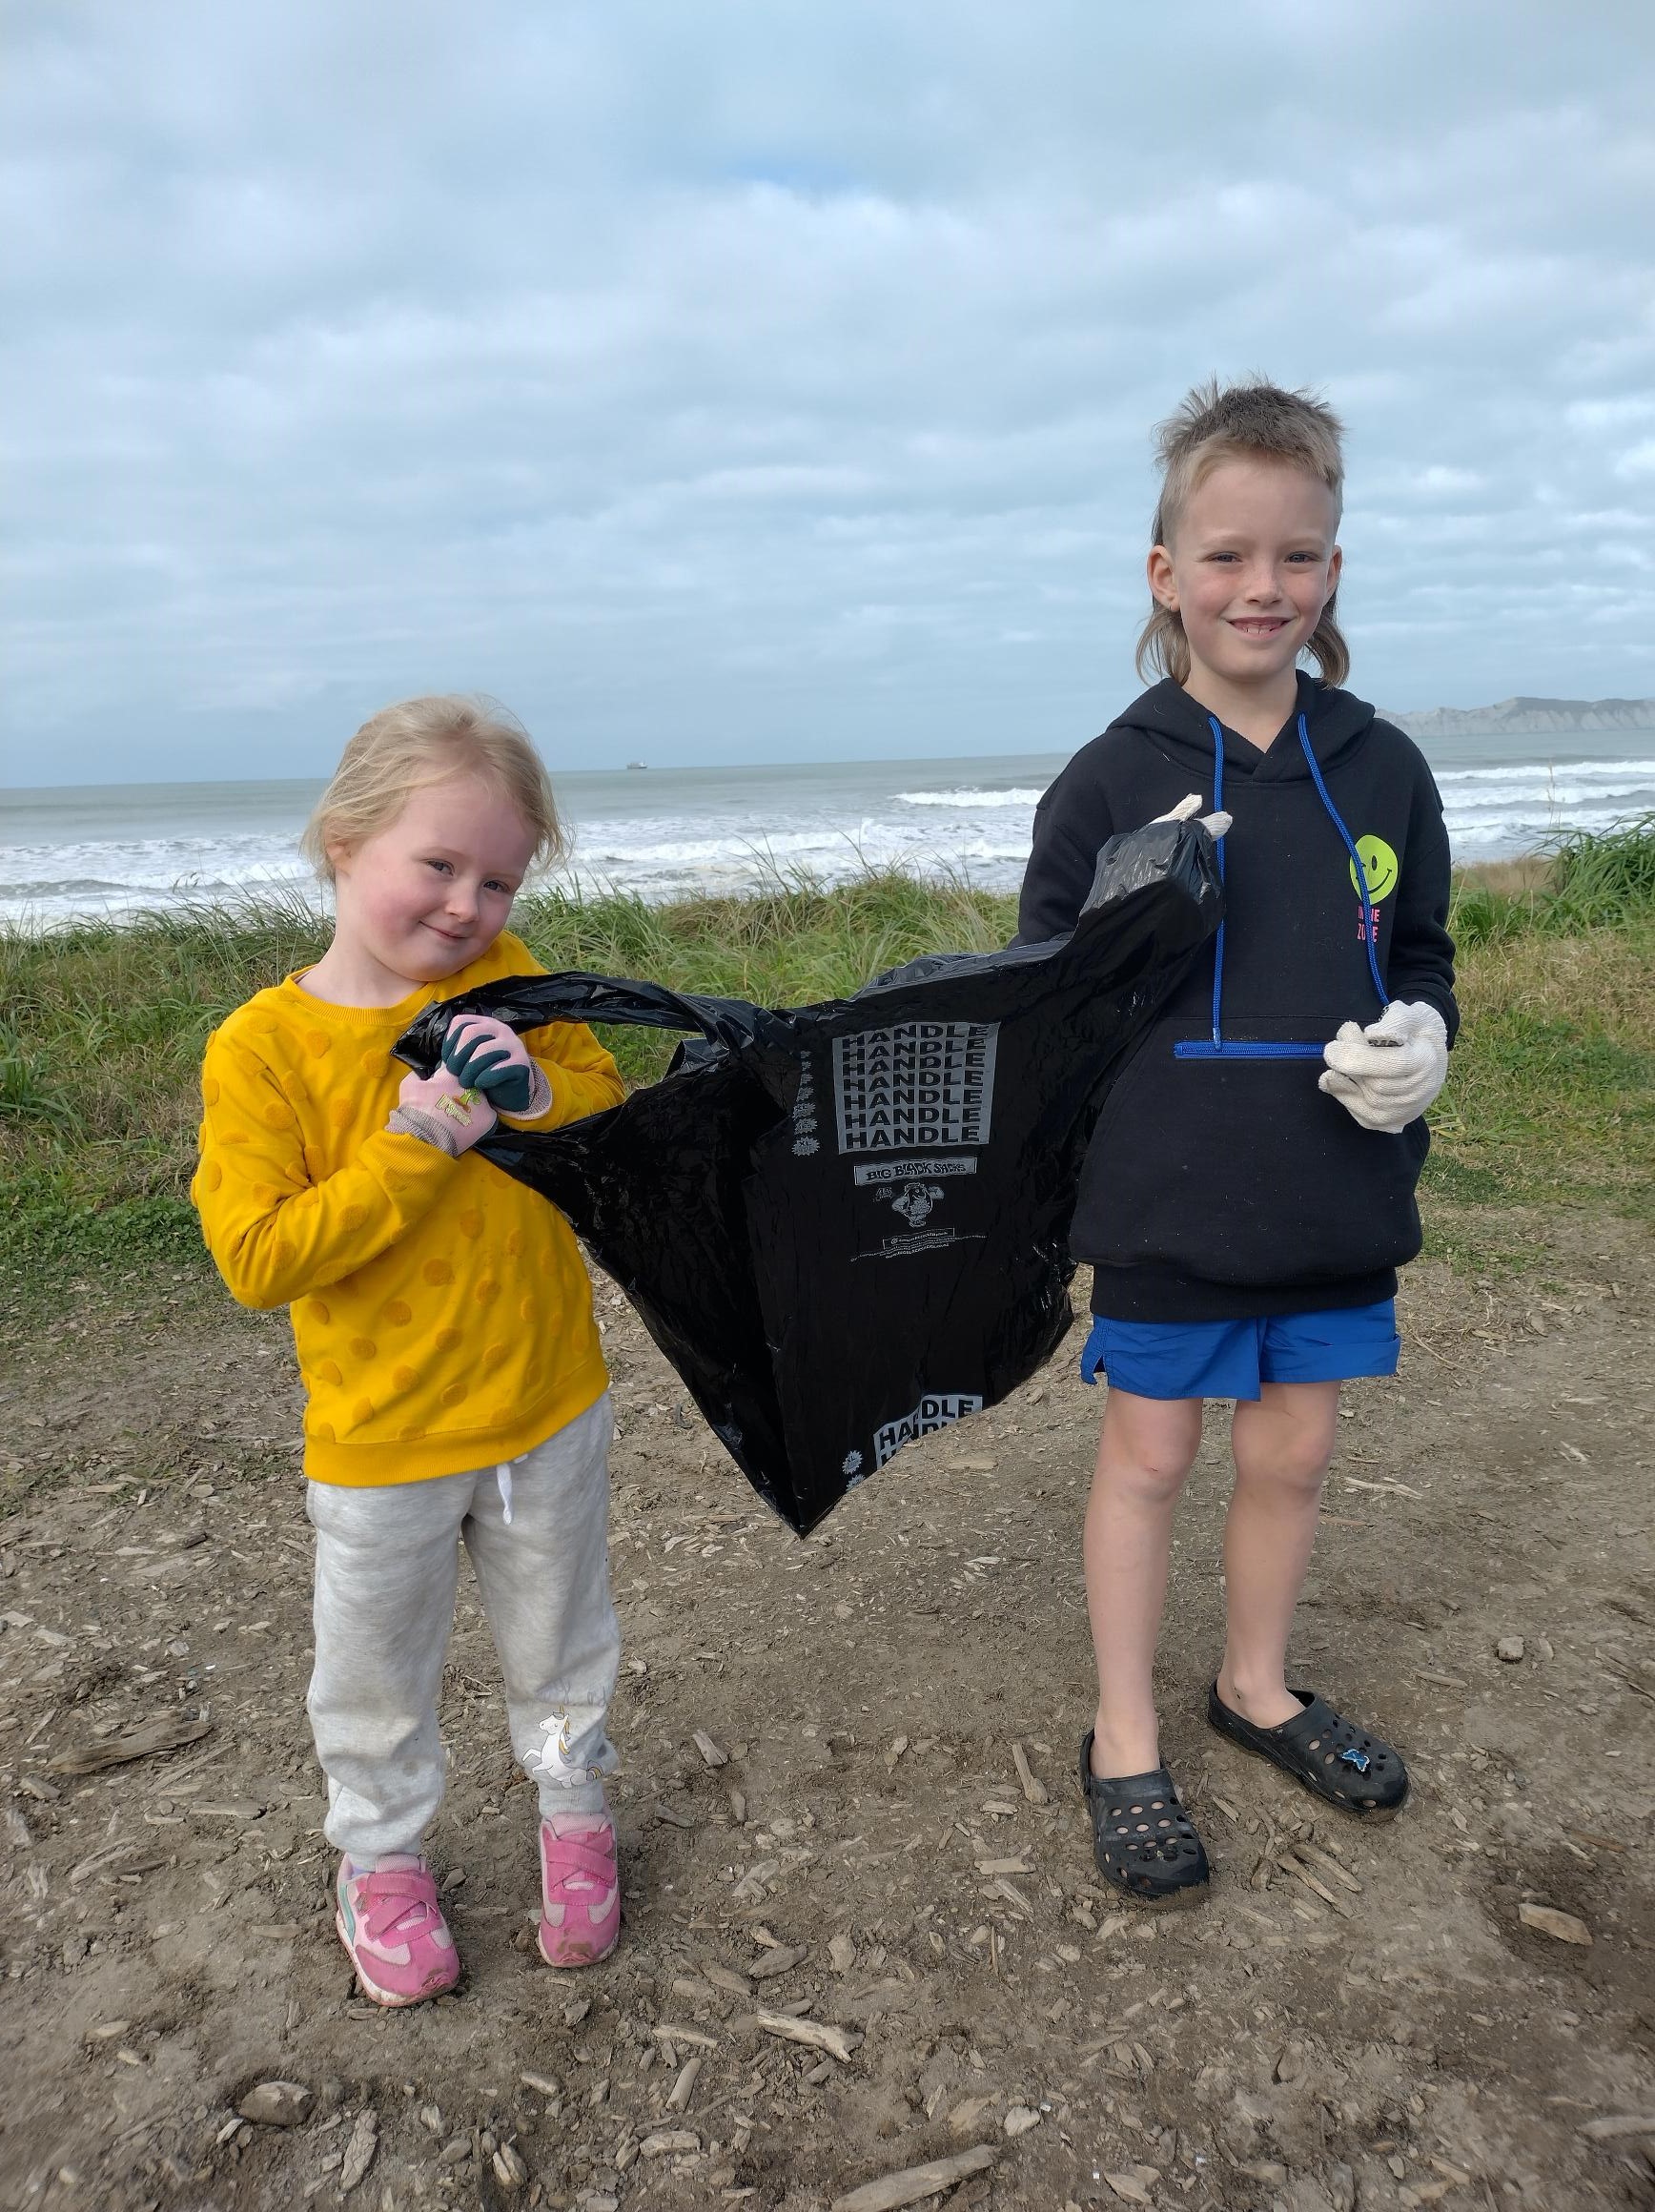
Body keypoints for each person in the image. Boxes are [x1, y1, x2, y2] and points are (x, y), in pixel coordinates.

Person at [1016, 379, 1456, 1904]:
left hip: (1330, 1186)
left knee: (1299, 1449)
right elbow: (1045, 989)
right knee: (1149, 1458)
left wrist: (1426, 1039)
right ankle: (1124, 1732)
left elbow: (1424, 952)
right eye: (1225, 556)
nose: (1262, 587)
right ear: (1164, 576)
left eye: (1299, 556)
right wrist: (1134, 909)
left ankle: (1254, 1688)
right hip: (1166, 1196)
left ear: (1334, 572)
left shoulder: (1384, 766)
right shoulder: (1111, 773)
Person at [193, 695, 629, 2001]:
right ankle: (378, 1858)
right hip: (381, 1445)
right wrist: (419, 1142)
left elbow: (607, 1114)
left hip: (546, 1407)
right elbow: (257, 1258)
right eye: (437, 864)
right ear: (344, 841)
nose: (468, 905)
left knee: (562, 1647)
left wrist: (538, 1093)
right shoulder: (264, 1048)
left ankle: (575, 1820)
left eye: (498, 877)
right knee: (375, 1676)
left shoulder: (514, 985)